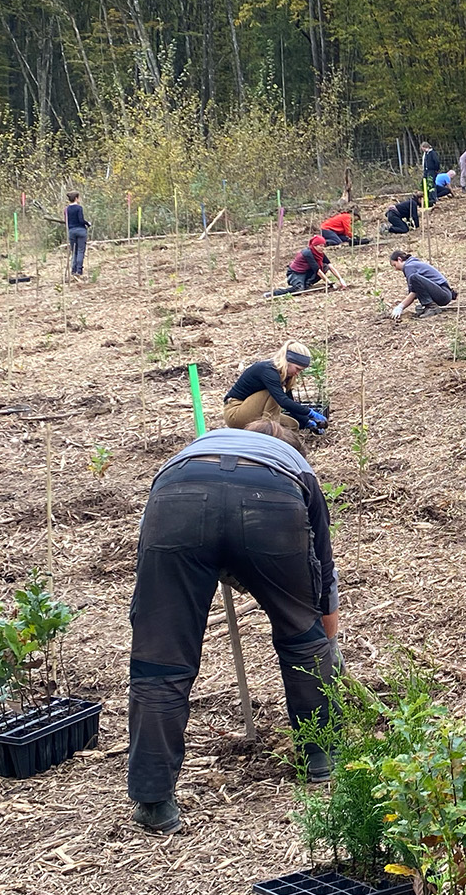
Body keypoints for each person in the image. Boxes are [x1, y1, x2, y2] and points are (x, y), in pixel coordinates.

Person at [125, 427, 341, 833]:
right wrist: (325, 645)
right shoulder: (297, 470)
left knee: (161, 656)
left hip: (178, 496)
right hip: (269, 501)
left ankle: (153, 801)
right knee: (301, 635)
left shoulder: (193, 452)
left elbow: (153, 555)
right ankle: (321, 758)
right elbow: (322, 573)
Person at [223, 343, 326, 440]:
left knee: (293, 425)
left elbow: (289, 403)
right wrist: (310, 413)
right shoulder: (268, 370)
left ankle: (282, 443)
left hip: (254, 412)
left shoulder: (285, 375)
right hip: (235, 413)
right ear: (287, 361)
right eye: (297, 369)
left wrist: (307, 422)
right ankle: (268, 438)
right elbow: (282, 401)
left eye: (301, 371)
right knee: (271, 393)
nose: (297, 373)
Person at [390, 249, 456, 317]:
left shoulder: (409, 267)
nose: (395, 269)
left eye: (395, 265)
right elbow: (416, 291)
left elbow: (413, 293)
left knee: (414, 278)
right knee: (414, 279)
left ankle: (431, 307)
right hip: (443, 293)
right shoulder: (412, 264)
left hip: (443, 294)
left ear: (399, 259)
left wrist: (400, 307)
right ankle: (429, 306)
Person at [65, 191, 89, 277]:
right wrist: (87, 223)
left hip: (71, 231)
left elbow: (66, 221)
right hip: (81, 230)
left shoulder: (66, 209)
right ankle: (79, 270)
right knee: (80, 250)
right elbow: (81, 220)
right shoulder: (79, 208)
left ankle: (73, 269)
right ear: (76, 198)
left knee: (74, 251)